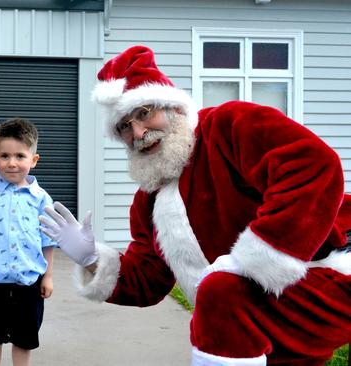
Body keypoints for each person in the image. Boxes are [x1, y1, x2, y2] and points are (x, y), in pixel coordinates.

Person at [39, 45, 351, 366]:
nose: (139, 132)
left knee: (220, 294)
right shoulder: (148, 200)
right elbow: (148, 280)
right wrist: (92, 258)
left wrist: (253, 261)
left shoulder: (228, 124)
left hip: (324, 275)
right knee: (221, 304)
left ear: (173, 106)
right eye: (124, 127)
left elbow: (311, 165)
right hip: (249, 308)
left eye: (145, 112)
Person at [0, 118, 56, 366]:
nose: (12, 163)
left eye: (20, 156)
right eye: (5, 156)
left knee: (24, 338)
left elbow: (47, 240)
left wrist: (48, 276)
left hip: (29, 281)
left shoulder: (41, 199)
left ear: (33, 159)